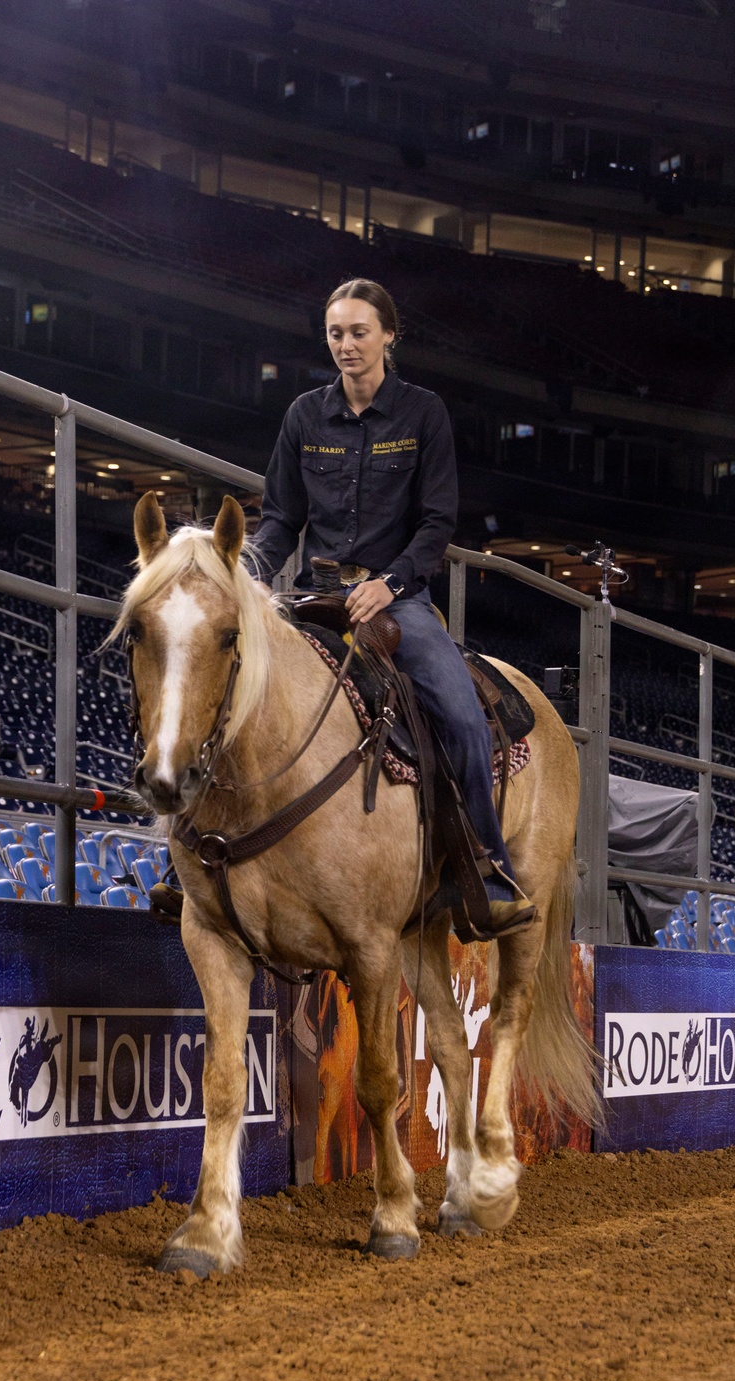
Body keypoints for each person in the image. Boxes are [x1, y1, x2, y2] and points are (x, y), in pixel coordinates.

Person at [252, 277, 532, 933]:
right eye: (335, 333)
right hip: (315, 593)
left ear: (387, 337)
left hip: (395, 598)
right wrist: (251, 574)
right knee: (232, 677)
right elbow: (278, 519)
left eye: (358, 332)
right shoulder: (302, 417)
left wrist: (390, 582)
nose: (345, 345)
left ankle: (482, 870)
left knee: (462, 715)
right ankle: (199, 870)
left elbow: (438, 523)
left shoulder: (423, 413)